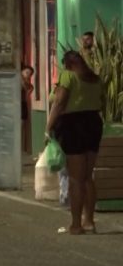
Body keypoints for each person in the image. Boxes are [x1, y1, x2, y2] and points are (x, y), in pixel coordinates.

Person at [45, 51, 104, 235]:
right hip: (93, 123)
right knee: (88, 176)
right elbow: (103, 104)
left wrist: (48, 126)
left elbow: (60, 102)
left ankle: (76, 224)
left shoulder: (68, 76)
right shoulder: (95, 79)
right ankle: (89, 221)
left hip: (73, 124)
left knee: (75, 178)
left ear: (68, 64)